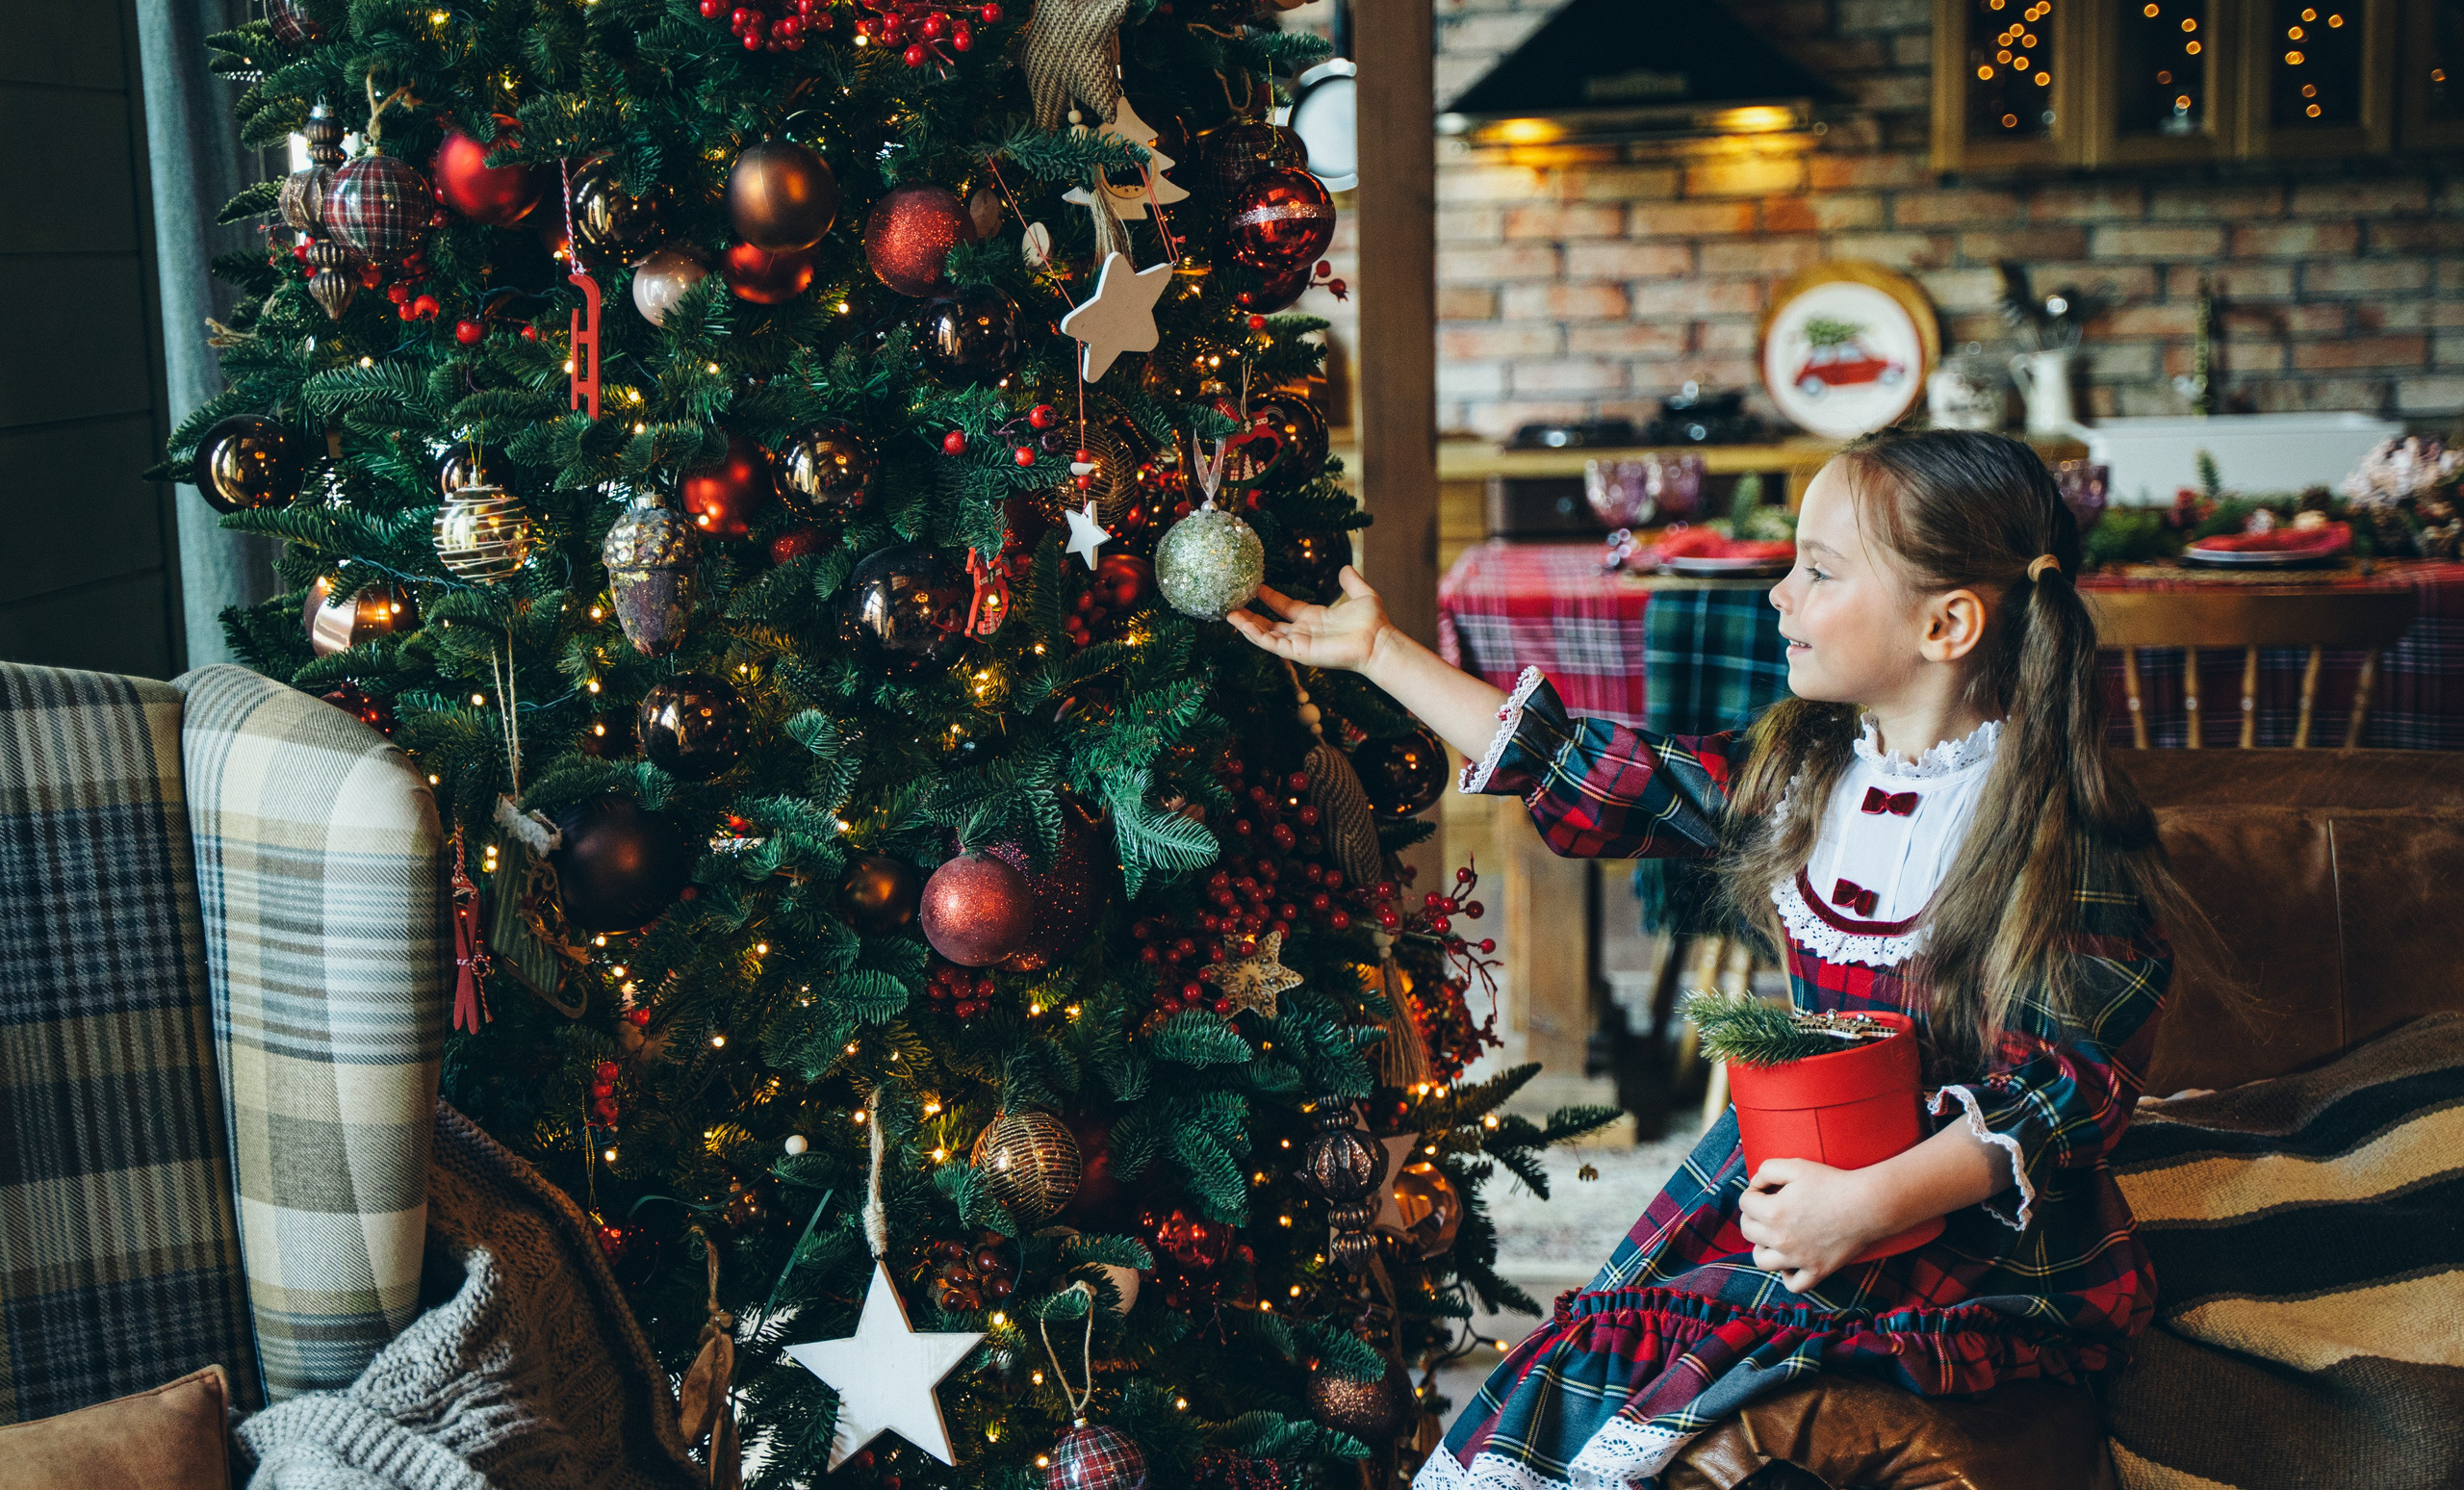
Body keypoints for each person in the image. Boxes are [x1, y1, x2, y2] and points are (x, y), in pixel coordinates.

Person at [1229, 428, 2201, 1490]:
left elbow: (2067, 1092)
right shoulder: (1799, 774)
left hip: (1960, 1224)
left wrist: (1866, 1207)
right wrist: (1381, 653)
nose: (1778, 597)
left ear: (1947, 623)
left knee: (1720, 1371)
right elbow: (1595, 773)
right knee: (1591, 1373)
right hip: (1785, 1179)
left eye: (1818, 572)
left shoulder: (2050, 835)